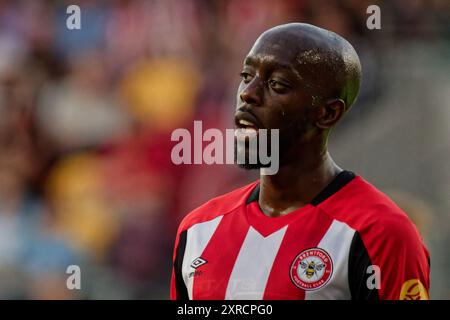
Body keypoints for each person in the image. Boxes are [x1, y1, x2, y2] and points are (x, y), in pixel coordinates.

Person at [170, 23, 430, 300]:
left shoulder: (380, 233)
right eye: (246, 75)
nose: (248, 93)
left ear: (328, 113)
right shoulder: (198, 229)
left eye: (277, 84)